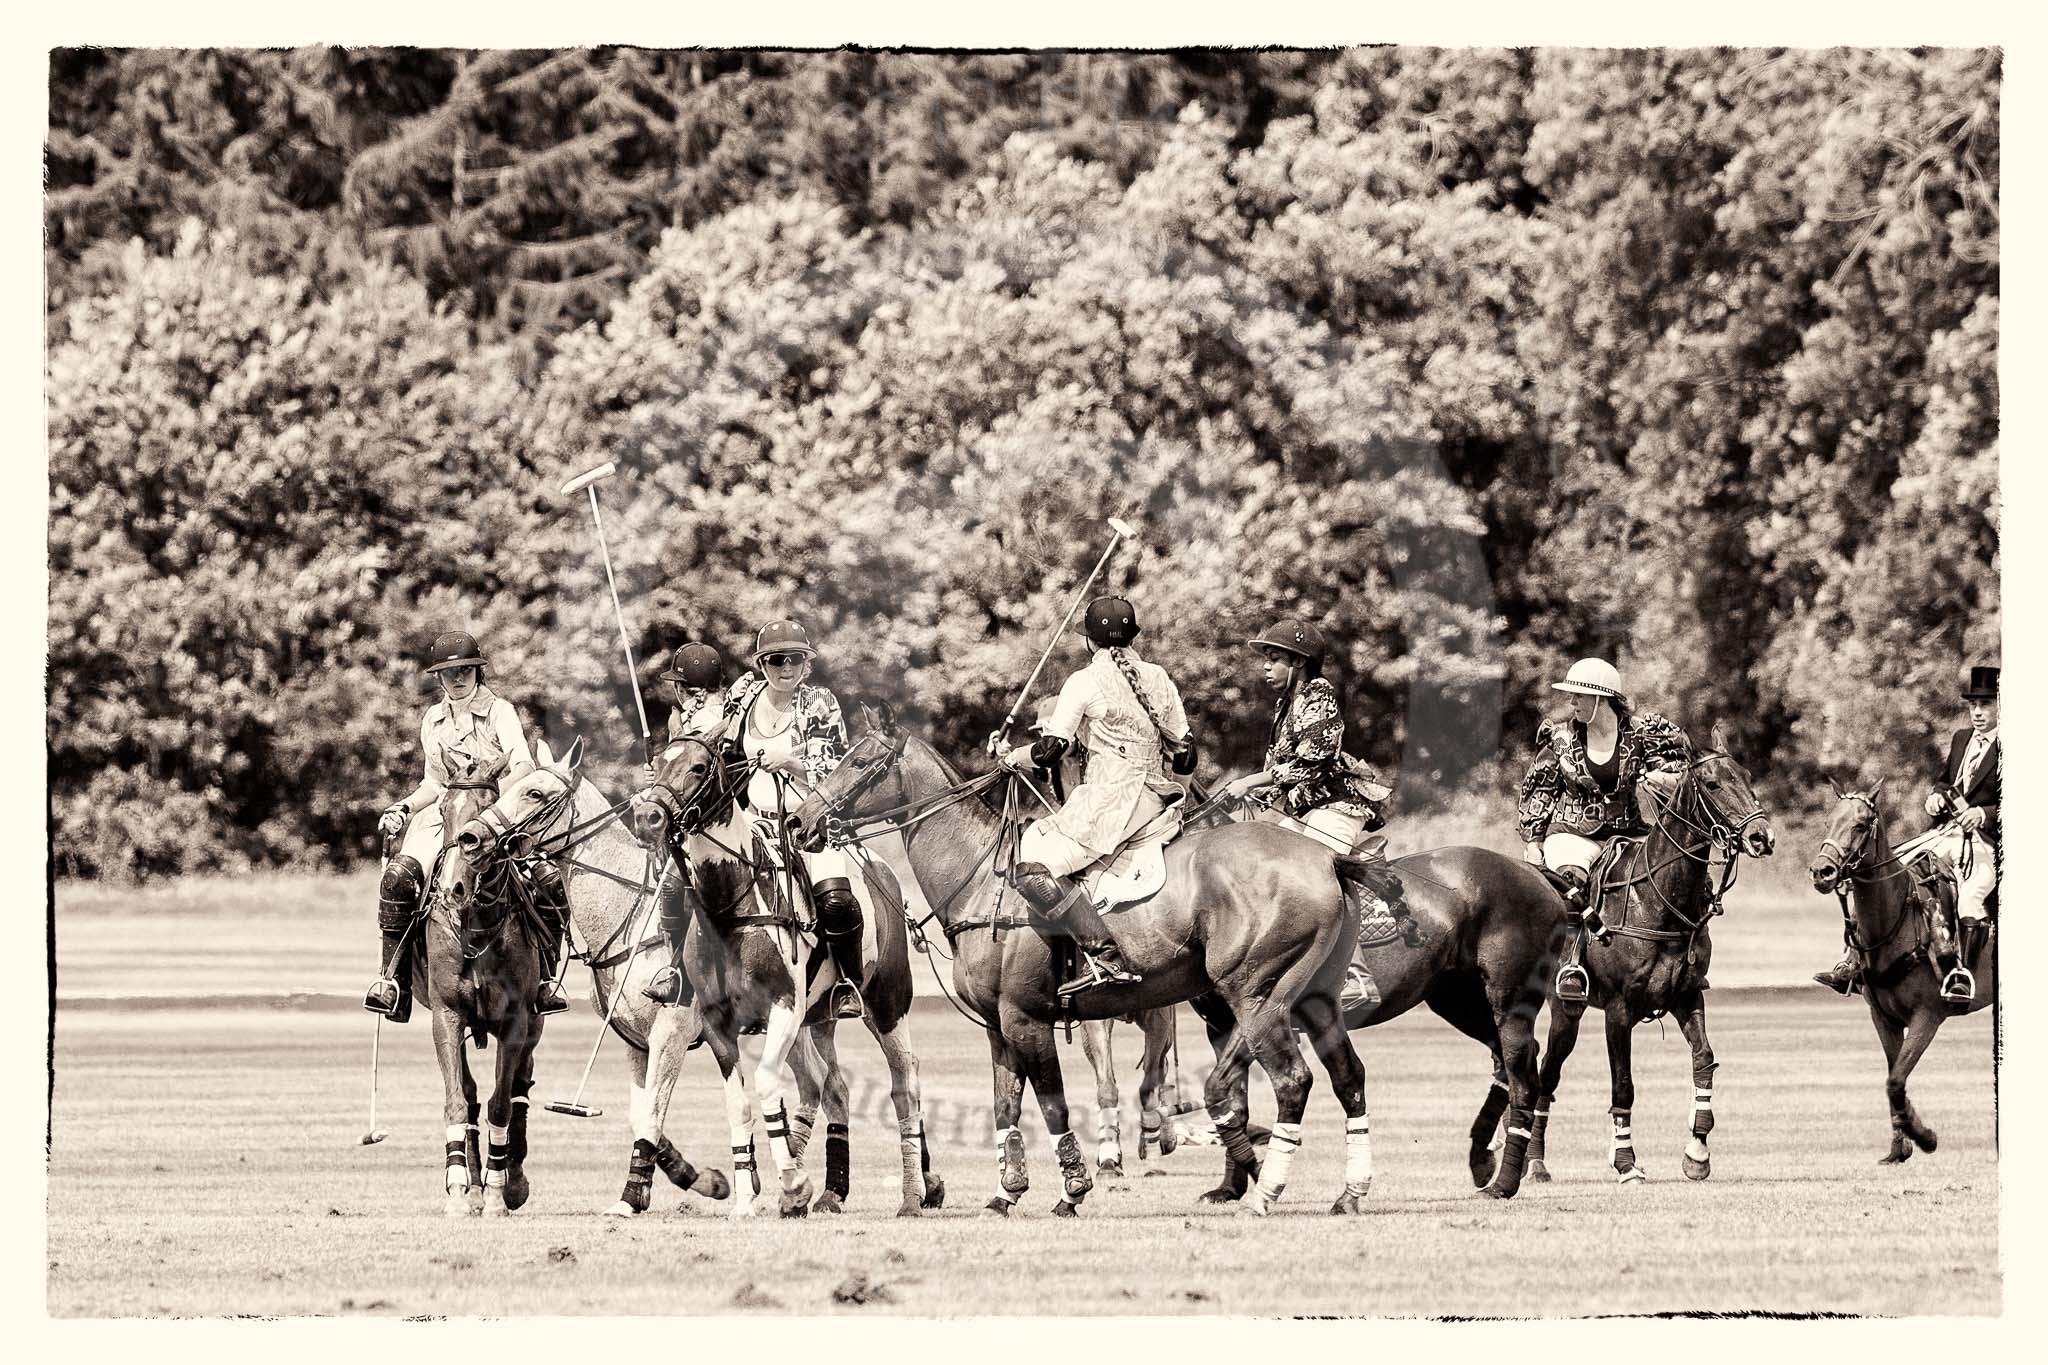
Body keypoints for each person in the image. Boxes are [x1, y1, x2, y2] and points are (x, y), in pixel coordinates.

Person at [994, 596, 1198, 996]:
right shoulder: (1159, 676)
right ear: (1132, 636)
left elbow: (1051, 749)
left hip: (1109, 803)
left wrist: (1012, 757)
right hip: (1158, 801)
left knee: (1032, 859)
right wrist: (1179, 801)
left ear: (1090, 640)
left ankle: (1105, 955)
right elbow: (1187, 753)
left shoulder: (1083, 682)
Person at [368, 630, 569, 1020]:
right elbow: (433, 783)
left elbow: (524, 768)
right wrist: (403, 808)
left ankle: (544, 978)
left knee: (546, 878)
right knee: (398, 879)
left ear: (478, 671)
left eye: (466, 670)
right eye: (450, 672)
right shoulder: (433, 719)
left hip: (499, 816)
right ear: (438, 677)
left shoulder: (500, 711)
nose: (458, 678)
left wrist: (490, 802)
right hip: (445, 815)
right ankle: (394, 983)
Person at [1219, 618, 1391, 1008]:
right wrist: (1256, 794)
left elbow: (1314, 760)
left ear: (1298, 662)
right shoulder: (1285, 705)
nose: (1265, 666)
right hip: (1303, 808)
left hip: (1335, 805)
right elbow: (1278, 765)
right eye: (1265, 658)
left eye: (1273, 658)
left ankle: (1355, 975)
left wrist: (1251, 781)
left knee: (1314, 877)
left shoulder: (1319, 696)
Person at [1814, 664, 2000, 1001]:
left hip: (1988, 843)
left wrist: (1984, 814)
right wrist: (1935, 796)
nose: (1977, 712)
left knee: (1971, 896)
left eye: (1985, 705)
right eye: (1973, 705)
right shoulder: (1962, 739)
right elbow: (1947, 781)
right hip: (1946, 833)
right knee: (1887, 869)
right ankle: (1852, 963)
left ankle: (1963, 976)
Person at [711, 620, 866, 1020]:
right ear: (762, 664)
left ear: (806, 664)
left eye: (795, 660)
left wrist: (792, 763)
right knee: (703, 881)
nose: (787, 668)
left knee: (835, 900)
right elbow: (720, 750)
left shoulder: (819, 702)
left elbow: (838, 770)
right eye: (777, 660)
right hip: (752, 823)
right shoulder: (744, 700)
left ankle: (848, 984)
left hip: (810, 826)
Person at [1516, 658, 1691, 1005]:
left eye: (1578, 696)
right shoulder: (1560, 736)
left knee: (1673, 876)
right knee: (1570, 884)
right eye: (1571, 697)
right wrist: (1534, 841)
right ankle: (1572, 967)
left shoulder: (1643, 732)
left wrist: (1660, 778)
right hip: (1572, 832)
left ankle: (1685, 960)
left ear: (1602, 699)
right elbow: (1540, 789)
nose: (1572, 703)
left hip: (1627, 832)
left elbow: (1680, 769)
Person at [642, 642, 729, 1005]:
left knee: (673, 887)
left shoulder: (710, 722)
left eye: (678, 684)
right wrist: (658, 771)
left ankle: (680, 974)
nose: (674, 690)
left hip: (716, 825)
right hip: (696, 824)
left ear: (687, 688)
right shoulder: (689, 718)